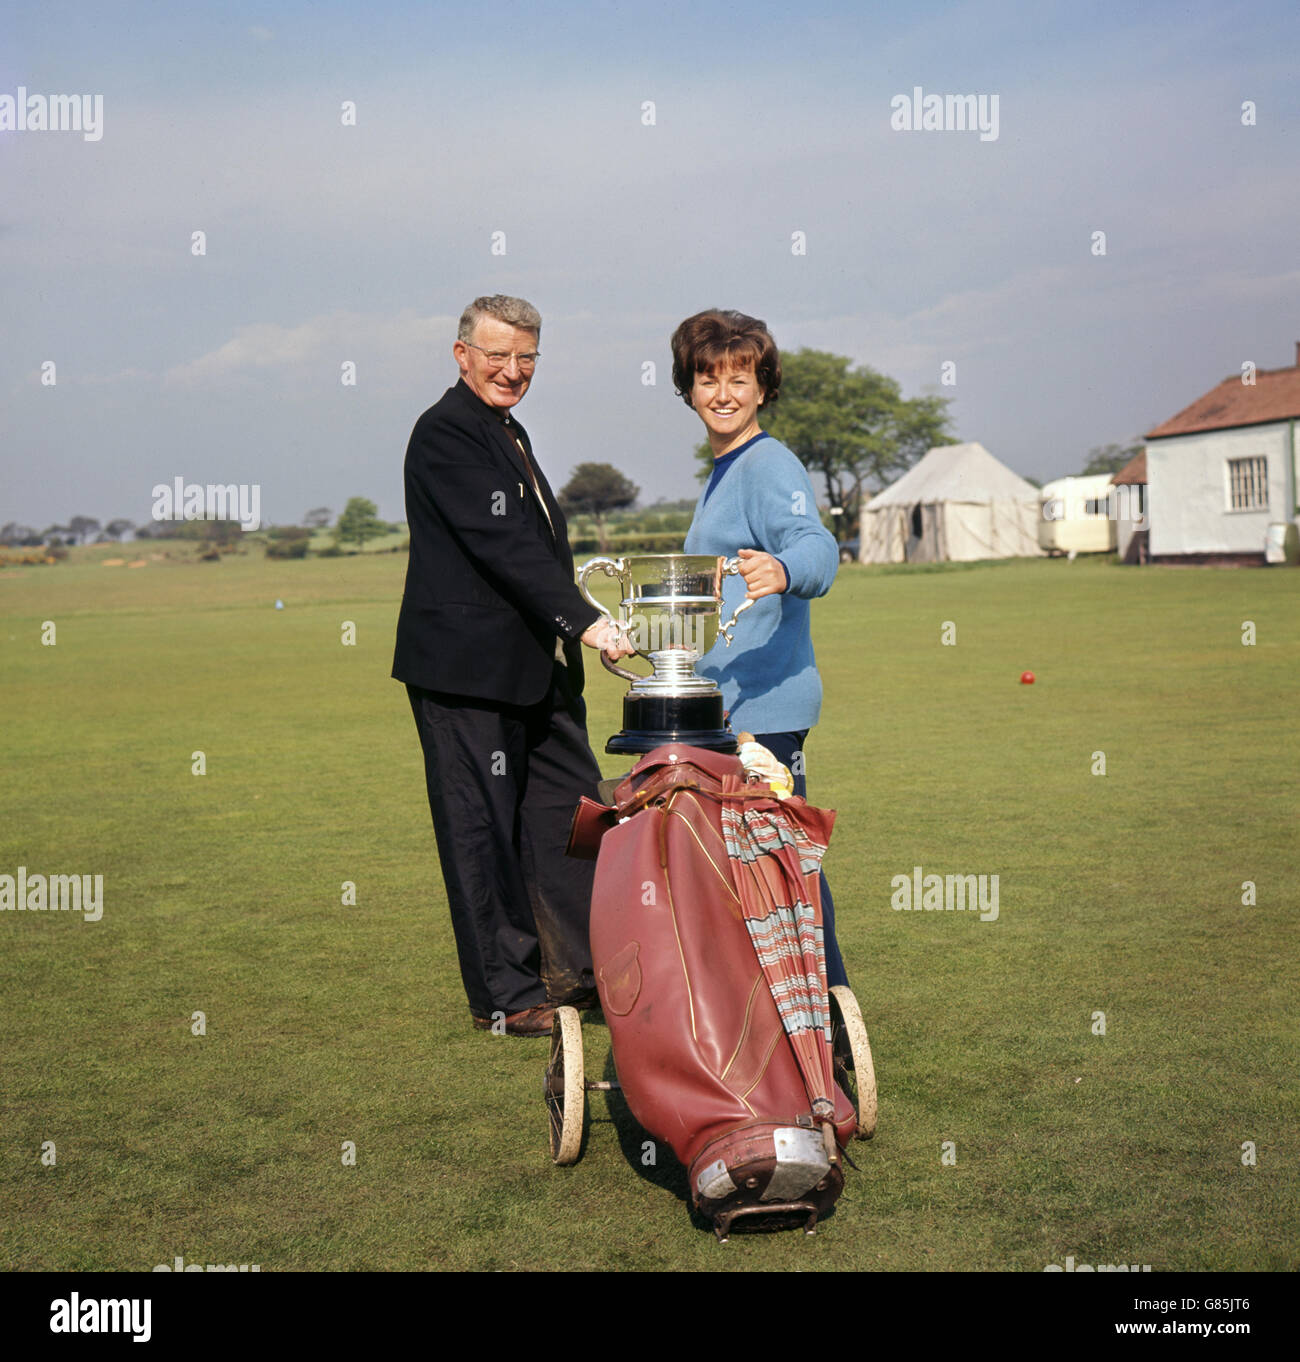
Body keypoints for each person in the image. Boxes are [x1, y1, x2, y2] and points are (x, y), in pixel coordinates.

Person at [393, 294, 634, 1036]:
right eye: (496, 355)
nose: (512, 370)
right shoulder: (444, 434)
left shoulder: (508, 429)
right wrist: (588, 621)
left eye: (526, 357)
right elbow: (507, 548)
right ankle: (506, 996)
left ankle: (578, 972)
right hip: (468, 677)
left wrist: (569, 636)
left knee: (571, 818)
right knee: (481, 831)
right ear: (461, 354)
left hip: (538, 672)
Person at [673, 308, 849, 987]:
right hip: (726, 706)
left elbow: (816, 549)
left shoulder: (767, 464)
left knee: (781, 872)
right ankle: (776, 1031)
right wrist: (640, 639)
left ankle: (827, 1022)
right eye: (707, 378)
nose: (723, 393)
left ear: (763, 386)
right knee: (745, 874)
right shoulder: (723, 470)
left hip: (767, 712)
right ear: (689, 388)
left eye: (739, 378)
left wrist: (785, 568)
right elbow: (704, 595)